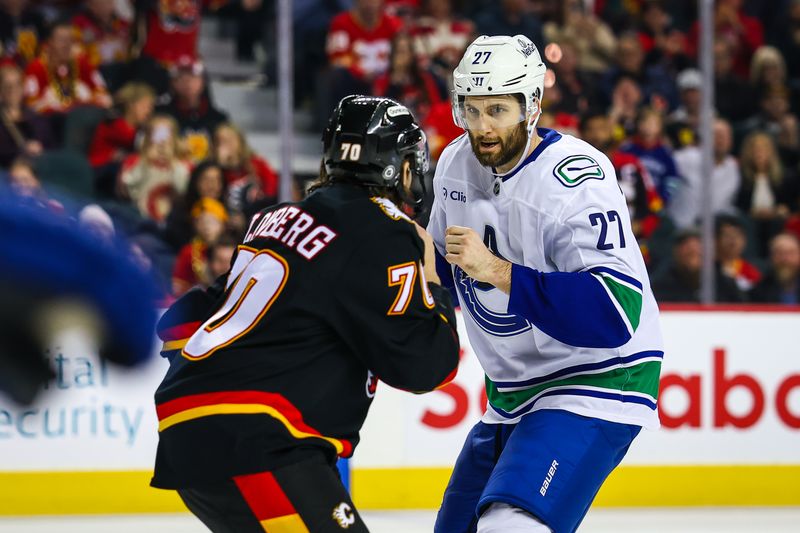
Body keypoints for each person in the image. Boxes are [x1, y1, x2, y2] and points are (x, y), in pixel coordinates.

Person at [151, 95, 460, 532]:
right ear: (400, 165)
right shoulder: (385, 232)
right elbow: (426, 365)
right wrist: (430, 276)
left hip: (189, 429)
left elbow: (181, 320)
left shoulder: (273, 218)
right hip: (263, 438)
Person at [429, 35, 664, 533]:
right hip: (511, 393)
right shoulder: (453, 163)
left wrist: (495, 270)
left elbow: (615, 311)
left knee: (510, 525)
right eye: (472, 111)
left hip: (596, 381)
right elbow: (438, 265)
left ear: (532, 105)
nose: (483, 127)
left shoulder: (576, 179)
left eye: (498, 109)